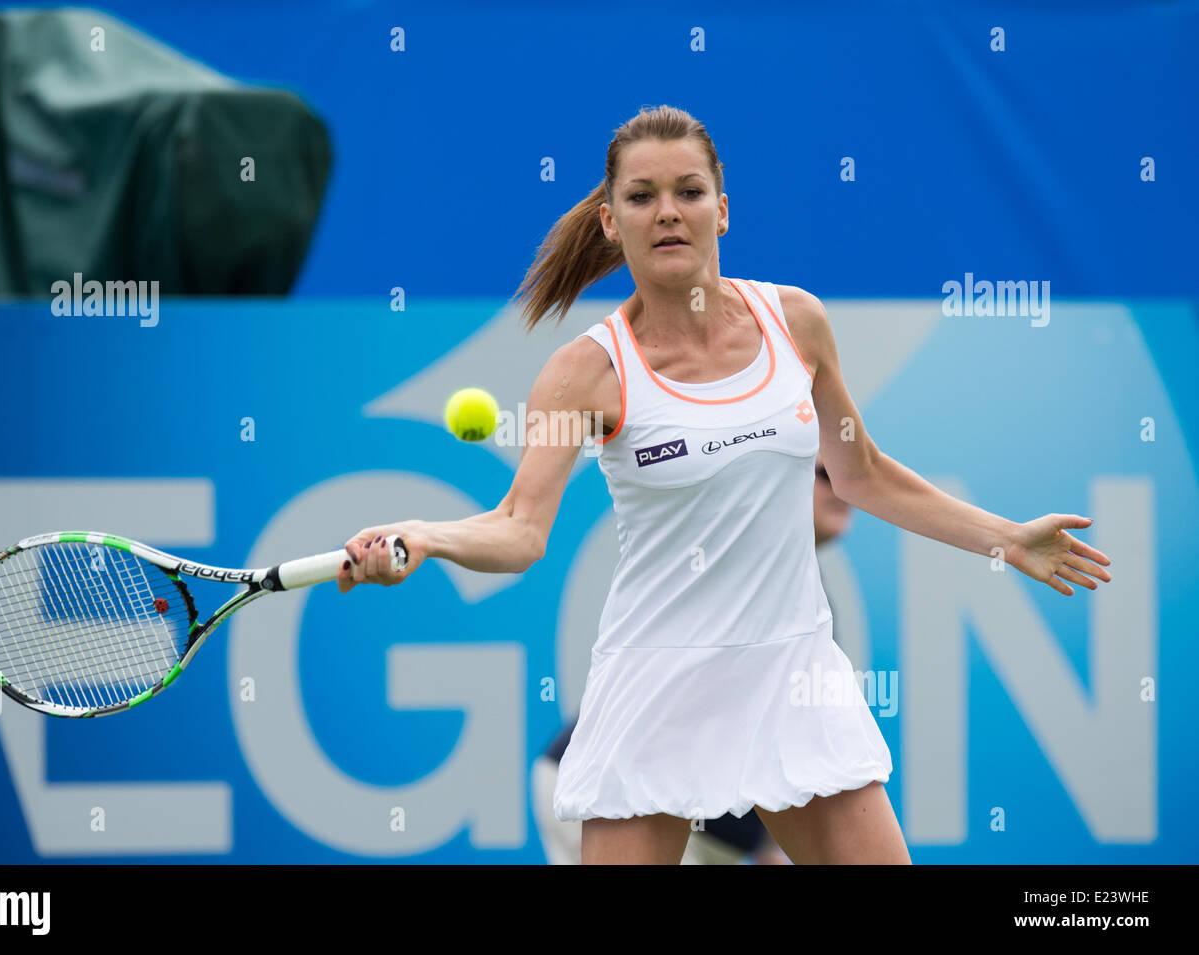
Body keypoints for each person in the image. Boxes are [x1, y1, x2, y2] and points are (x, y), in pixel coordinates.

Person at [333, 105, 1113, 865]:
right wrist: (427, 537)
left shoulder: (795, 323)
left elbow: (862, 473)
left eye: (689, 191)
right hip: (656, 684)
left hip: (791, 675)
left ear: (723, 210)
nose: (667, 213)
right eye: (641, 197)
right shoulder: (586, 372)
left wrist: (1006, 538)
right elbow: (519, 528)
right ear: (611, 222)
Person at [532, 453, 850, 865]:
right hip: (627, 801)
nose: (842, 489)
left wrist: (769, 847)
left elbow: (776, 738)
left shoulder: (797, 589)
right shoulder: (739, 565)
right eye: (826, 474)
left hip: (692, 827)